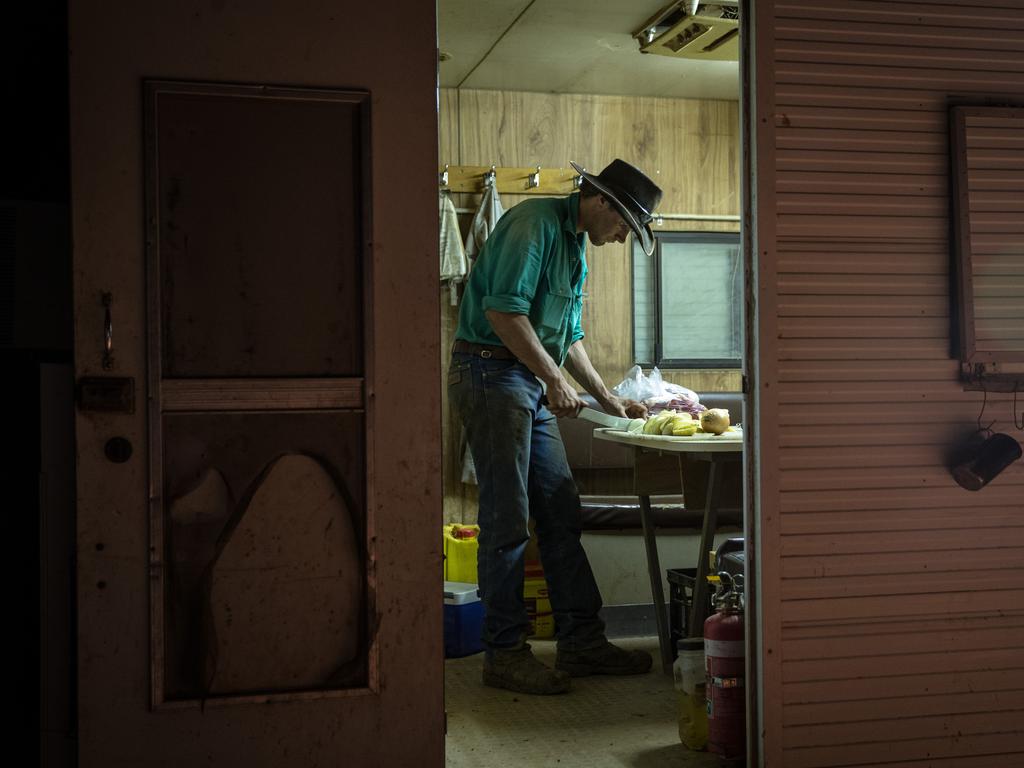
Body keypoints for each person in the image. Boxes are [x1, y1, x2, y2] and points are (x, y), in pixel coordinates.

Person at [448, 159, 663, 695]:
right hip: (490, 371)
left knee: (560, 511)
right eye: (623, 227)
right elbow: (504, 312)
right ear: (603, 203)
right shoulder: (533, 225)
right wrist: (551, 380)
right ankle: (504, 654)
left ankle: (582, 643)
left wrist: (607, 398)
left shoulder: (575, 247)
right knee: (507, 519)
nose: (619, 239)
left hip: (523, 377)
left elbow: (567, 336)